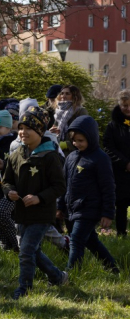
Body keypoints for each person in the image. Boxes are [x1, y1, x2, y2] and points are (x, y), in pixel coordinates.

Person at [4, 106, 68, 300]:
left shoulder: (50, 156)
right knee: (32, 250)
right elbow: (7, 181)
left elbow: (59, 186)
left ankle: (24, 289)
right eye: (21, 128)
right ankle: (58, 277)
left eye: (28, 128)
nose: (23, 132)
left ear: (40, 131)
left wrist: (39, 198)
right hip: (22, 212)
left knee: (26, 251)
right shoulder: (16, 155)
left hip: (41, 213)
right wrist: (9, 192)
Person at [57, 115, 119, 273]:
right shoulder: (71, 157)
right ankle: (112, 268)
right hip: (72, 209)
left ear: (91, 138)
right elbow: (63, 184)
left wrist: (107, 213)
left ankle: (72, 274)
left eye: (81, 140)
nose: (77, 144)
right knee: (91, 241)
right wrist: (60, 206)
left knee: (76, 240)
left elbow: (108, 187)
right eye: (74, 140)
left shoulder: (100, 158)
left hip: (89, 209)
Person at [0, 110, 19, 252]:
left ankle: (16, 243)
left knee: (2, 213)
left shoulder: (12, 144)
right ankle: (4, 244)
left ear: (8, 127)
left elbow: (14, 167)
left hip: (10, 188)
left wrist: (4, 164)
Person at [102, 89, 130, 237]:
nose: (128, 109)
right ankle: (121, 232)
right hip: (120, 171)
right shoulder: (113, 126)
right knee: (121, 203)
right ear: (120, 105)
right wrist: (125, 163)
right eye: (125, 105)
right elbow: (108, 147)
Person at [50, 85, 88, 156]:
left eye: (67, 94)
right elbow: (55, 128)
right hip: (58, 150)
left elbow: (84, 133)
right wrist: (52, 132)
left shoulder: (80, 111)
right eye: (62, 93)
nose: (63, 96)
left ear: (74, 96)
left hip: (73, 151)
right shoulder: (58, 111)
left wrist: (67, 144)